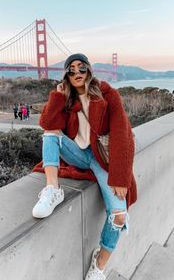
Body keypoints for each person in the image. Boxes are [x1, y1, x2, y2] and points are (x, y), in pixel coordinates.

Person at [32, 53, 137, 280]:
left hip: (101, 158)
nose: (77, 73)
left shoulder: (108, 94)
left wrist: (120, 177)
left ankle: (99, 265)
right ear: (67, 75)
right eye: (71, 69)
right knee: (50, 134)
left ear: (89, 70)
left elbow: (123, 135)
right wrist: (58, 96)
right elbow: (48, 124)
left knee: (119, 216)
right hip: (79, 154)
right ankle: (53, 189)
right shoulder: (67, 98)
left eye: (81, 68)